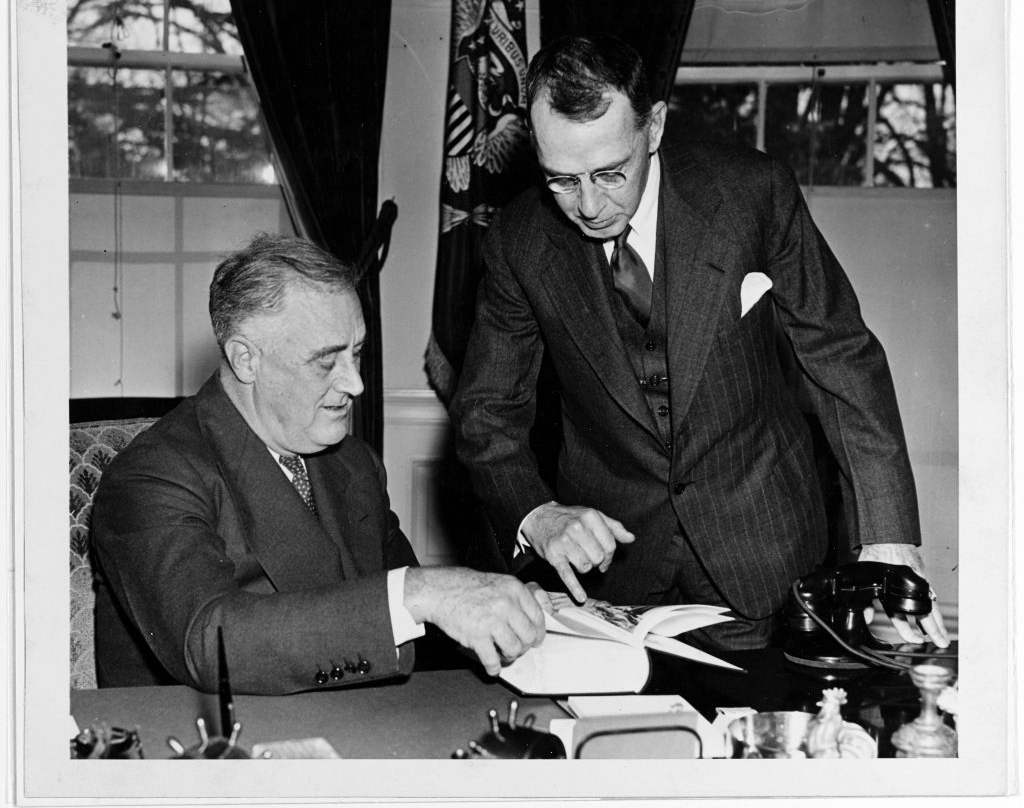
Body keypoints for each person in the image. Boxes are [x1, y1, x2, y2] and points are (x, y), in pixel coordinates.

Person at [449, 34, 949, 651]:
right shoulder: (518, 241)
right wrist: (536, 514)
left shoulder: (751, 195)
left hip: (762, 550)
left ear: (653, 126)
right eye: (561, 180)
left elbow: (841, 357)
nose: (588, 205)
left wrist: (888, 535)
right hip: (611, 579)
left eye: (609, 173)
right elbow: (485, 412)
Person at [91, 233, 548, 695]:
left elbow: (411, 621)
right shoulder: (152, 475)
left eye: (357, 353)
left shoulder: (353, 463)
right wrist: (419, 593)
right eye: (326, 362)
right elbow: (208, 642)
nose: (355, 384)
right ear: (246, 359)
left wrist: (501, 610)